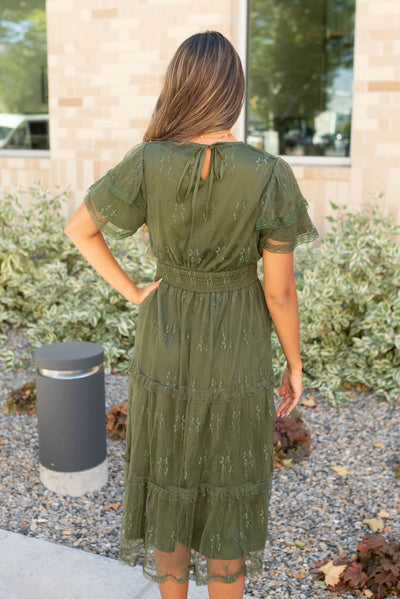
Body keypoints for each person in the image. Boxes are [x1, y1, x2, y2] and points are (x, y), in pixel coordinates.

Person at [64, 30, 318, 599]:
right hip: (237, 339)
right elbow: (280, 293)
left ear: (179, 86)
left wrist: (134, 293)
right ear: (234, 90)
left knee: (171, 472)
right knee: (227, 478)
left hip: (167, 331)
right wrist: (295, 364)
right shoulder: (268, 172)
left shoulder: (150, 160)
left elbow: (79, 228)